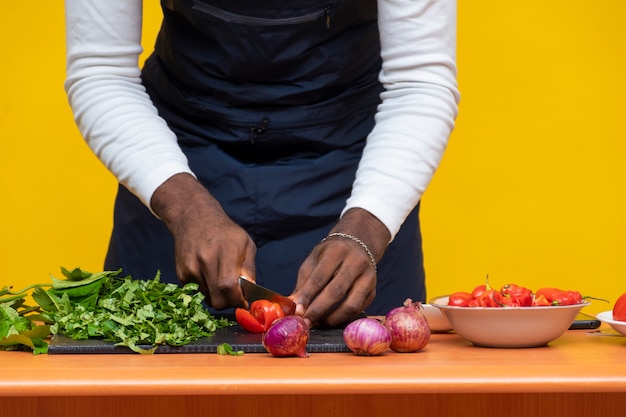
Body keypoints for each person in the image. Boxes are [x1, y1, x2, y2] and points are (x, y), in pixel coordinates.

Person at [64, 0, 460, 327]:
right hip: (173, 160)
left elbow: (419, 81)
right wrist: (184, 206)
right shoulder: (177, 195)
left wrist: (368, 227)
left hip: (354, 169)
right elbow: (101, 71)